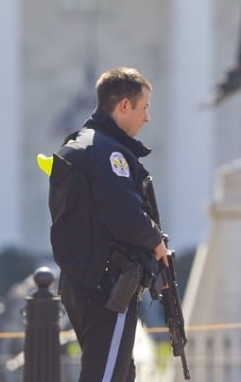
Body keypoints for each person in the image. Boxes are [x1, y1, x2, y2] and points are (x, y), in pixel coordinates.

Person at [46, 67, 167, 382]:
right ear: (124, 106)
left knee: (121, 374)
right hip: (109, 287)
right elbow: (124, 216)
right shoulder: (110, 153)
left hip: (81, 283)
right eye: (144, 108)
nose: (147, 118)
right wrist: (157, 241)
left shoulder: (78, 144)